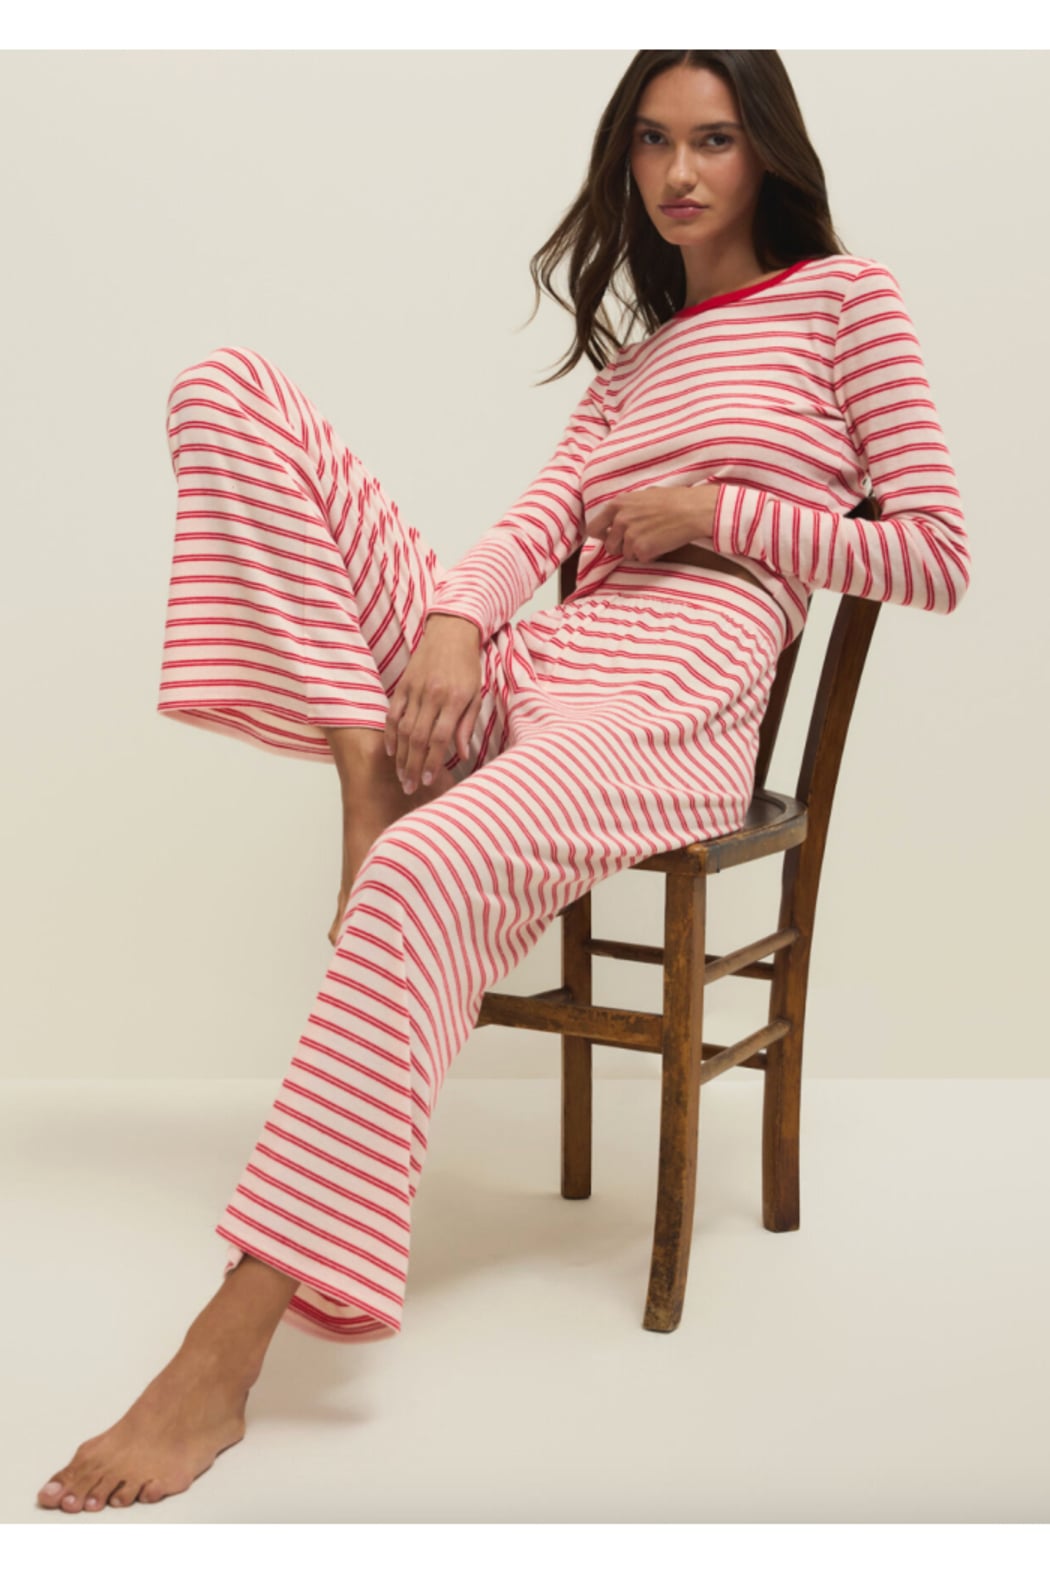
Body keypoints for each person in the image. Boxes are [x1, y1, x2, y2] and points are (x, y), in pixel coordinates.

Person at [37, 49, 970, 1514]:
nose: (678, 174)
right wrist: (460, 626)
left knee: (417, 874)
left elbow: (934, 555)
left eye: (713, 140)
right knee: (226, 392)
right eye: (651, 142)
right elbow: (533, 522)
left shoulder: (846, 304)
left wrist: (716, 512)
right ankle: (369, 762)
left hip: (675, 699)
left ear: (766, 154)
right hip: (544, 663)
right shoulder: (630, 370)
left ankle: (230, 1339)